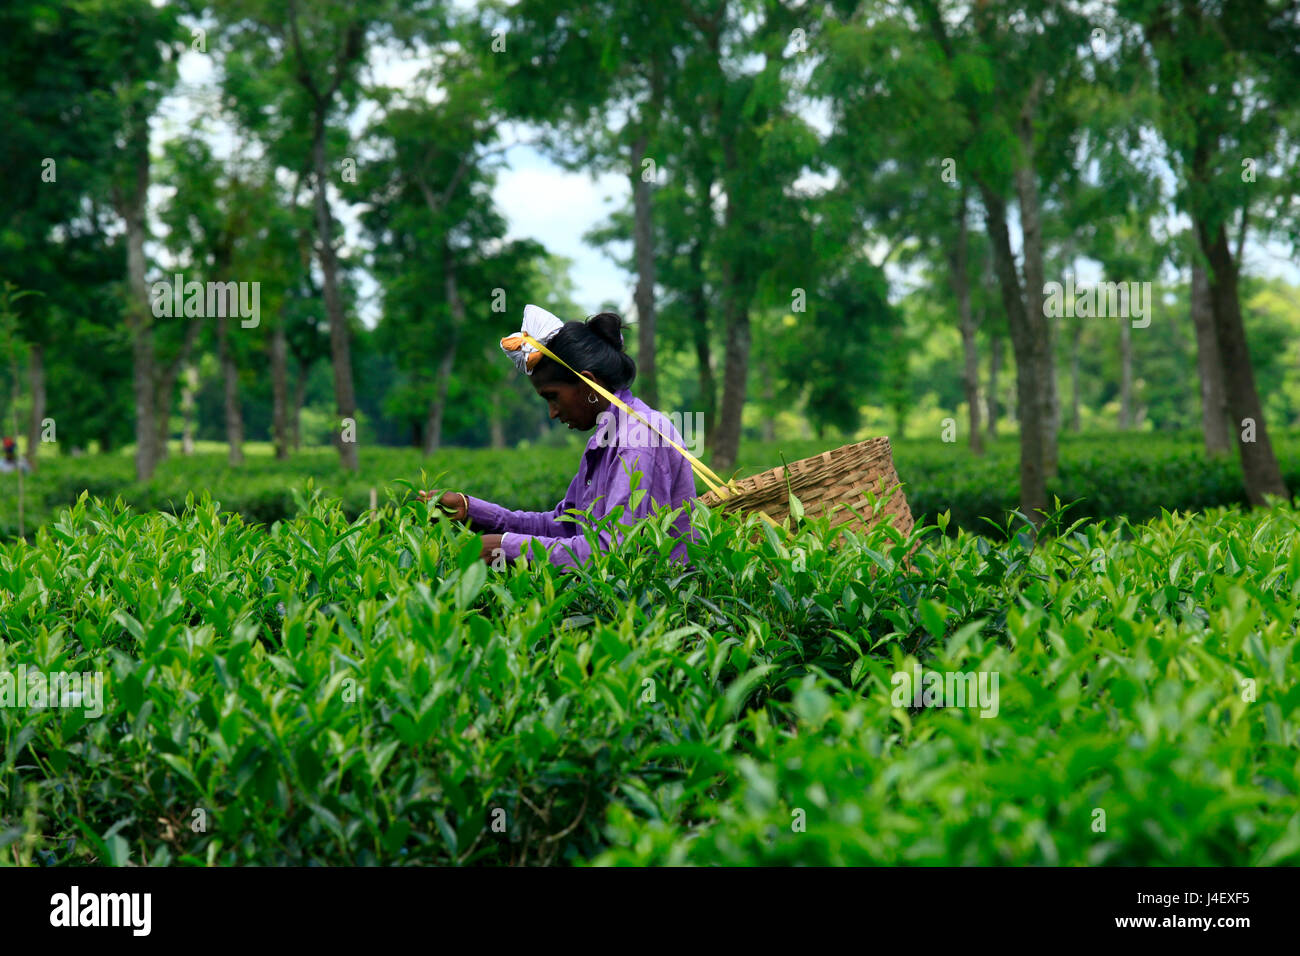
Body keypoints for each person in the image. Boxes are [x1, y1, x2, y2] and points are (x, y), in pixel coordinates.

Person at [421, 304, 697, 569]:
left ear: (589, 383)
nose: (553, 412)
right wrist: (471, 510)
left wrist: (506, 548)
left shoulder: (637, 440)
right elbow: (564, 525)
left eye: (553, 397)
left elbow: (612, 552)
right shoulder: (606, 438)